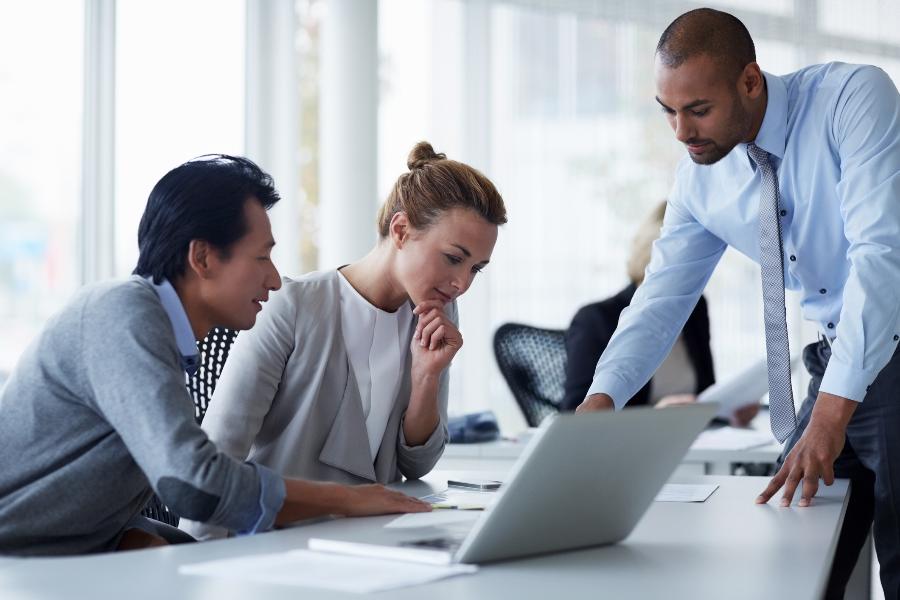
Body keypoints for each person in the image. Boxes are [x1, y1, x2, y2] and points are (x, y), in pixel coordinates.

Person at [576, 8, 900, 598]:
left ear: (751, 81)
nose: (682, 131)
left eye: (698, 109)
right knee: (797, 552)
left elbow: (882, 257)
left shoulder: (852, 98)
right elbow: (659, 298)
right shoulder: (699, 178)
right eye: (668, 111)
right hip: (834, 358)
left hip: (893, 346)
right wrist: (600, 401)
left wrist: (829, 415)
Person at [0, 155, 428, 556]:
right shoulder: (123, 313)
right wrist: (348, 500)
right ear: (202, 257)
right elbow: (192, 483)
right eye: (261, 257)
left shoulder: (161, 331)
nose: (276, 280)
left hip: (77, 546)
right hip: (23, 557)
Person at [182, 142, 506, 540]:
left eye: (477, 268)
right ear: (401, 230)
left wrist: (425, 378)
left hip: (372, 543)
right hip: (275, 546)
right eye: (454, 258)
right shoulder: (294, 305)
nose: (462, 283)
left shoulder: (435, 314)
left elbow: (417, 466)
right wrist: (196, 563)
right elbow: (217, 456)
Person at [562, 201, 716, 412]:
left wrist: (728, 410)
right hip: (631, 441)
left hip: (693, 438)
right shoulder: (595, 318)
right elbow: (576, 413)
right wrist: (655, 416)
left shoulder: (696, 306)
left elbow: (706, 391)